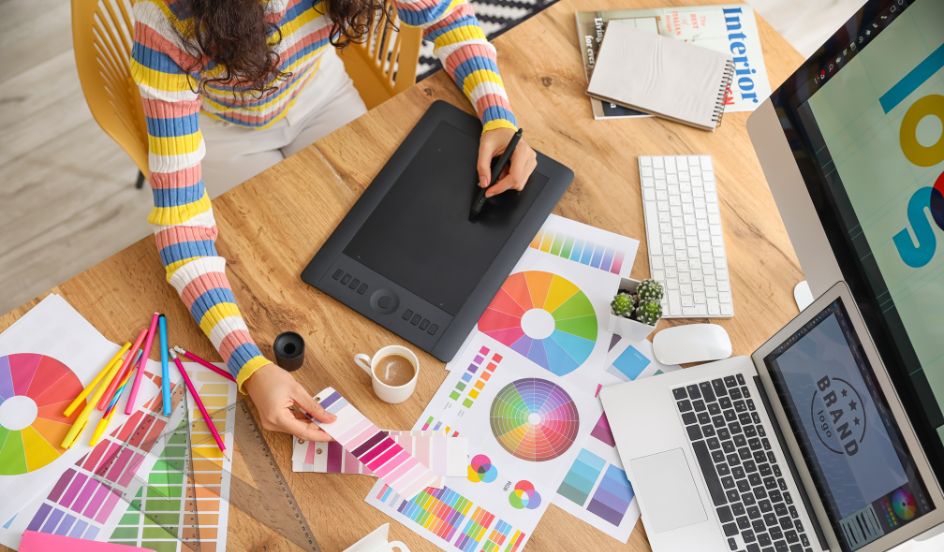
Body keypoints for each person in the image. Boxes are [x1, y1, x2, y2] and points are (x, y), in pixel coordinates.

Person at [131, 0, 537, 441]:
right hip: (226, 130)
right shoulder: (167, 25)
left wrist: (497, 112)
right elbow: (181, 230)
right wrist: (248, 365)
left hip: (318, 90)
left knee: (371, 234)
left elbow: (449, 15)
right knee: (271, 264)